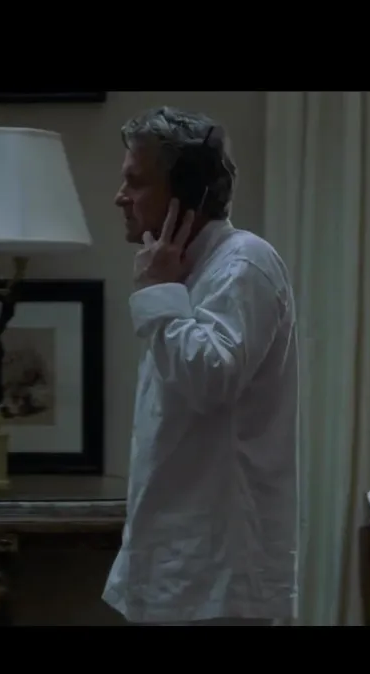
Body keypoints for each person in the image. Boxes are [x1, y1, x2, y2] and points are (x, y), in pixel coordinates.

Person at [102, 106, 300, 626]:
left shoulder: (245, 265)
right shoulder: (186, 274)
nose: (120, 197)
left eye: (135, 182)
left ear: (185, 193)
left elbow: (211, 379)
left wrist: (157, 292)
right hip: (178, 574)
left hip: (219, 585)